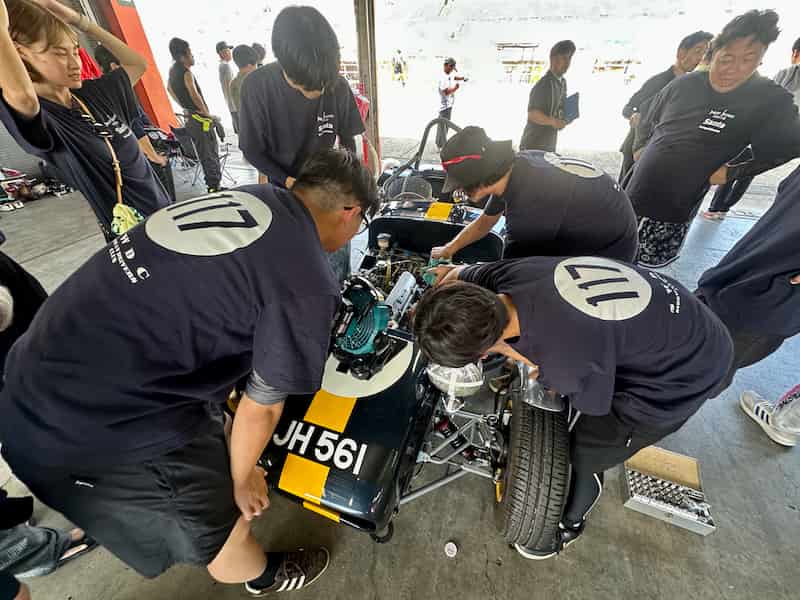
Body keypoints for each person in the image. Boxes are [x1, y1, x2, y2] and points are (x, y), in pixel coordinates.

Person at [0, 149, 378, 596]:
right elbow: (261, 407)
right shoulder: (306, 282)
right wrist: (242, 476)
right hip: (93, 425)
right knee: (218, 515)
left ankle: (116, 512)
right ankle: (262, 575)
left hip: (32, 371)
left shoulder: (254, 197)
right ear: (351, 211)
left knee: (203, 457)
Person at [415, 257, 732, 559]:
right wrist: (433, 306)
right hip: (683, 313)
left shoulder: (566, 360)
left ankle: (569, 525)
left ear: (483, 355)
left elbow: (589, 399)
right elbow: (458, 274)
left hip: (690, 368)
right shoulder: (509, 275)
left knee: (588, 448)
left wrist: (507, 350)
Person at [628, 10, 800, 269]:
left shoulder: (769, 99)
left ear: (761, 59)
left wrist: (733, 172)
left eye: (748, 59)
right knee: (610, 260)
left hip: (673, 210)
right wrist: (639, 147)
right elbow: (646, 114)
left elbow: (790, 146)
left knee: (647, 274)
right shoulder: (686, 84)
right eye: (727, 58)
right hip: (633, 192)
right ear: (714, 52)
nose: (733, 69)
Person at [0, 0, 170, 241]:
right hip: (136, 240)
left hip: (166, 216)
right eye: (60, 53)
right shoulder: (46, 119)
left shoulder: (93, 94)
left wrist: (78, 21)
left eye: (75, 50)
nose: (75, 63)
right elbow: (23, 96)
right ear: (21, 52)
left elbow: (137, 63)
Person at [238, 5, 377, 283]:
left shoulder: (336, 84)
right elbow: (252, 149)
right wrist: (290, 182)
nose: (318, 92)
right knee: (298, 267)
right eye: (307, 87)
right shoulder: (257, 87)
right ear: (284, 64)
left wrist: (353, 180)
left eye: (323, 85)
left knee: (336, 268)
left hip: (329, 189)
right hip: (285, 190)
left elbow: (350, 138)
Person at [696, 165, 800, 447]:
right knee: (690, 333)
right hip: (747, 264)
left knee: (707, 363)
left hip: (769, 295)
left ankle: (645, 419)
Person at [430, 126, 638, 262]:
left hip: (610, 250)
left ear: (479, 178)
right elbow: (486, 221)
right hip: (605, 219)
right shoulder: (517, 167)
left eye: (461, 183)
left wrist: (459, 273)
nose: (458, 190)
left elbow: (512, 272)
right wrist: (449, 248)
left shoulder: (528, 208)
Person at [703, 36, 800, 220]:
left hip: (764, 134)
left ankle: (716, 208)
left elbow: (768, 101)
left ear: (796, 53)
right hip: (784, 141)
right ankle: (722, 209)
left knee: (733, 168)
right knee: (748, 174)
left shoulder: (788, 73)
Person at [618, 31, 713, 182]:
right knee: (625, 190)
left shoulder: (698, 88)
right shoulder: (659, 81)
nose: (701, 58)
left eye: (706, 53)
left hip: (664, 152)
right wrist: (634, 115)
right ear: (681, 52)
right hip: (637, 149)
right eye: (698, 51)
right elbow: (628, 107)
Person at [93, 44, 175, 202]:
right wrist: (153, 156)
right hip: (144, 160)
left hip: (133, 163)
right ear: (115, 67)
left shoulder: (103, 92)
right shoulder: (117, 90)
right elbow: (134, 126)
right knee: (165, 205)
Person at [167, 37, 224, 194]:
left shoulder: (172, 72)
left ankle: (213, 185)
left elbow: (169, 89)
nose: (193, 56)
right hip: (200, 120)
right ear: (183, 56)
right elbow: (193, 92)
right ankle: (214, 187)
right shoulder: (186, 73)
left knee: (205, 153)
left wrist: (185, 107)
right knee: (209, 153)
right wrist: (206, 113)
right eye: (190, 53)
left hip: (190, 119)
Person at [520, 40, 576, 153]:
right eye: (564, 58)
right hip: (532, 146)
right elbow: (532, 114)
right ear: (553, 59)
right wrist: (553, 122)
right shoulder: (544, 84)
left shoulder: (562, 83)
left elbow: (558, 109)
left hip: (548, 146)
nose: (567, 63)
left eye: (569, 58)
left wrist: (565, 119)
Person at [436, 57, 466, 149]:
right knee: (443, 126)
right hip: (444, 107)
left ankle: (441, 143)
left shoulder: (448, 74)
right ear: (446, 65)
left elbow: (453, 77)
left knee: (445, 126)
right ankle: (440, 145)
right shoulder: (442, 78)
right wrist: (455, 88)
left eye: (453, 68)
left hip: (448, 106)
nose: (452, 69)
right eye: (451, 67)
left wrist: (462, 78)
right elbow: (446, 92)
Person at [229, 45, 257, 135]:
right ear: (250, 65)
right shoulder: (255, 80)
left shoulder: (233, 83)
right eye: (255, 65)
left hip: (247, 129)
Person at [216, 41, 237, 133]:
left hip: (231, 104)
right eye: (228, 51)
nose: (230, 53)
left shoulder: (222, 65)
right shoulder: (226, 66)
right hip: (235, 105)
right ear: (221, 53)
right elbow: (231, 86)